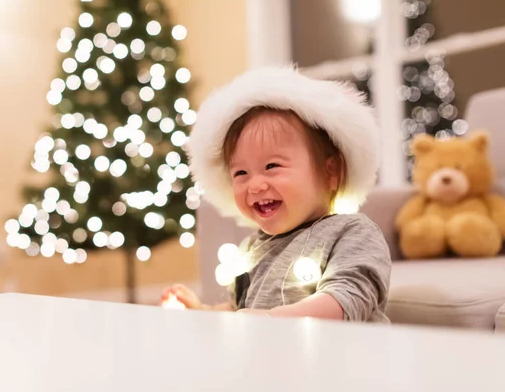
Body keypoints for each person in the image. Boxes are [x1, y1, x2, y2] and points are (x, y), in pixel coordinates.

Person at [161, 66, 391, 322]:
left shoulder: (351, 232)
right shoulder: (251, 249)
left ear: (331, 172)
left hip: (343, 358)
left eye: (272, 166)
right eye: (240, 173)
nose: (255, 185)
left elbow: (346, 301)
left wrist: (271, 318)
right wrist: (203, 313)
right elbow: (240, 309)